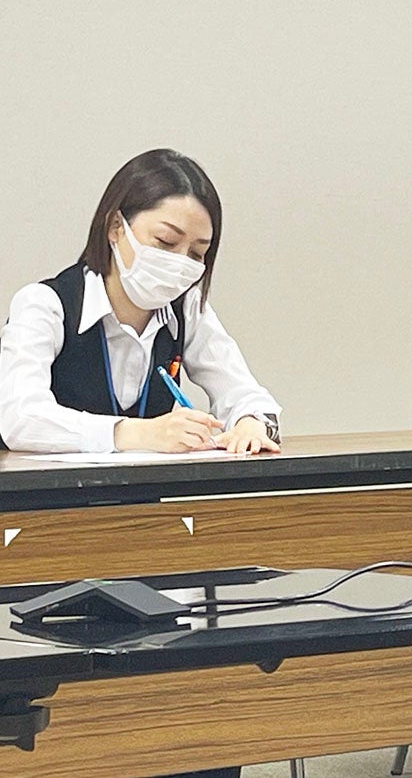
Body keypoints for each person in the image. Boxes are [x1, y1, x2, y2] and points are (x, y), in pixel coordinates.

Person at [0, 148, 282, 778]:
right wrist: (134, 433)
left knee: (194, 701)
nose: (182, 264)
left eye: (198, 252)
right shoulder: (46, 304)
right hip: (43, 543)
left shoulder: (187, 312)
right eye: (167, 241)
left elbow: (250, 393)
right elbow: (18, 417)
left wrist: (249, 423)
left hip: (144, 539)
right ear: (115, 227)